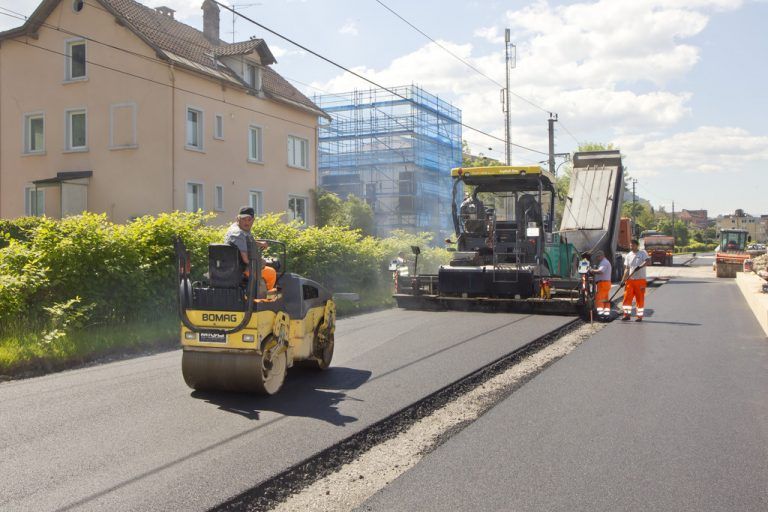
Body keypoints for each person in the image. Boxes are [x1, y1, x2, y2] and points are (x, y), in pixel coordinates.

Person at [224, 206, 276, 291]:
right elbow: (247, 260)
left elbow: (247, 240)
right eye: (243, 219)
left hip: (234, 268)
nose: (246, 222)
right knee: (271, 272)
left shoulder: (236, 228)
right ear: (238, 219)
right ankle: (263, 300)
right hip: (242, 270)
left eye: (249, 219)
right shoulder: (238, 234)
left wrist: (260, 244)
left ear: (253, 220)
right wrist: (261, 262)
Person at [622, 239, 650, 321]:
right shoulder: (628, 255)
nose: (631, 246)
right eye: (630, 245)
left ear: (637, 245)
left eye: (633, 245)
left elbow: (648, 261)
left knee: (639, 298)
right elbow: (627, 269)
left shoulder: (642, 253)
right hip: (630, 280)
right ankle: (626, 315)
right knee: (627, 298)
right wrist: (623, 280)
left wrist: (640, 266)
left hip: (640, 280)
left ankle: (639, 316)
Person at [589, 250, 612, 321]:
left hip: (603, 283)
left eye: (598, 257)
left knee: (600, 299)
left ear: (602, 256)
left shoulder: (604, 262)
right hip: (606, 283)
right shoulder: (605, 262)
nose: (597, 258)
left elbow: (601, 271)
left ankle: (600, 315)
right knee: (605, 299)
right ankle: (606, 315)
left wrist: (591, 270)